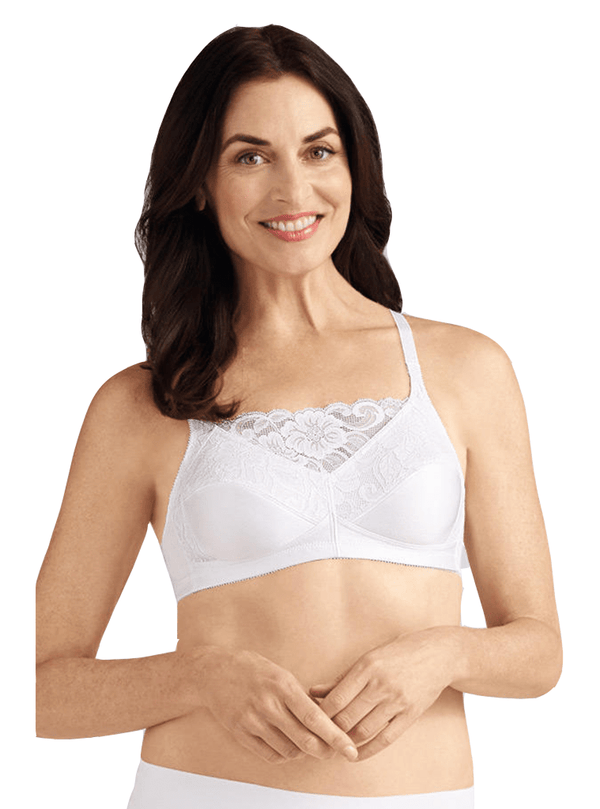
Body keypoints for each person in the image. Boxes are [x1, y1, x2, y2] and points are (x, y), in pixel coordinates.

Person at [35, 24, 562, 808]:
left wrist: (444, 654)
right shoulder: (144, 404)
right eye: (251, 157)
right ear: (201, 181)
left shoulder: (466, 370)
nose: (293, 190)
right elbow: (38, 687)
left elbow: (539, 649)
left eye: (319, 151)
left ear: (354, 166)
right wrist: (198, 675)